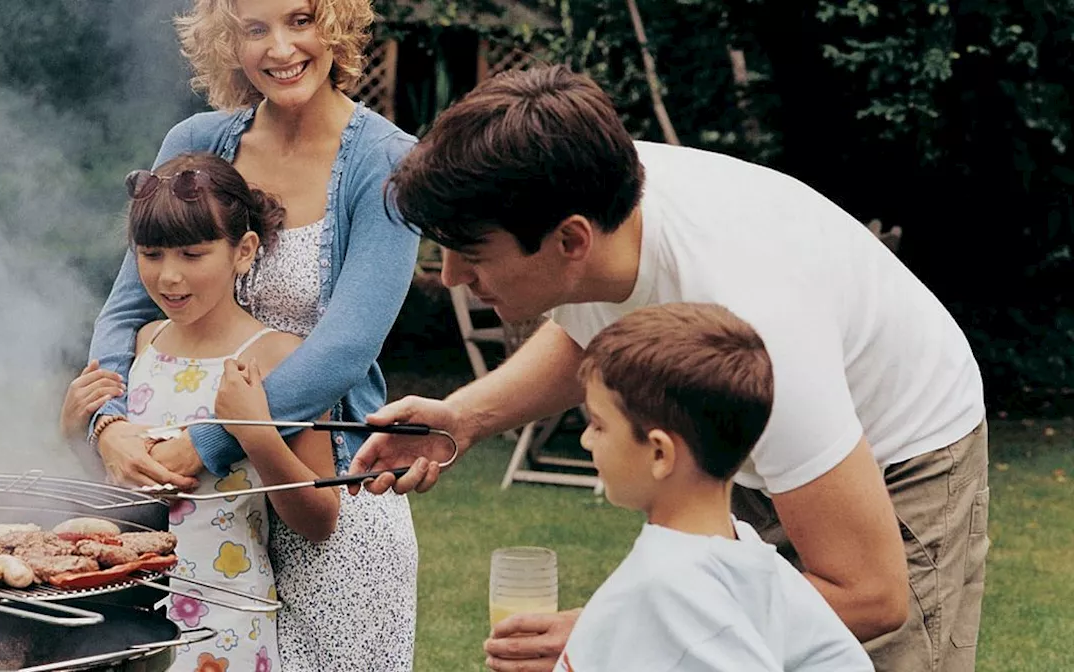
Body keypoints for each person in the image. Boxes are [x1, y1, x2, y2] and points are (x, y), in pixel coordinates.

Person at [349, 65, 989, 672]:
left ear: (571, 241)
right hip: (756, 444)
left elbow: (871, 594)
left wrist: (619, 634)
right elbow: (586, 335)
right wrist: (461, 419)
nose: (452, 277)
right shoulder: (587, 199)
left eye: (470, 254)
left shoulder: (759, 321)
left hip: (896, 455)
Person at [59, 0, 422, 668]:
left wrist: (209, 443)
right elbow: (124, 308)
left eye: (300, 20)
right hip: (199, 510)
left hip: (329, 491)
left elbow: (344, 349)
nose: (280, 48)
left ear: (335, 24)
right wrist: (108, 423)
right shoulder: (196, 142)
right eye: (255, 29)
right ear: (229, 41)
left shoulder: (388, 162)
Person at [116, 152, 342, 672]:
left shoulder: (280, 358)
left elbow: (320, 520)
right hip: (127, 609)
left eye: (193, 255)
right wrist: (78, 428)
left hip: (226, 620)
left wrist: (256, 434)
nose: (169, 277)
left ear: (243, 251)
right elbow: (114, 484)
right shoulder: (144, 344)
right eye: (151, 254)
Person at [556, 302, 873, 672]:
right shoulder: (753, 558)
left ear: (660, 452)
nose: (585, 440)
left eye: (598, 424)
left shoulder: (670, 588)